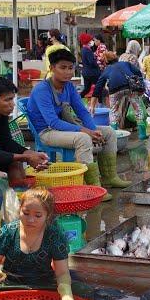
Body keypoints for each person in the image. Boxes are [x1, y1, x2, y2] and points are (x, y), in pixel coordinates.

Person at [0, 187, 84, 300]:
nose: (30, 219)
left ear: (48, 215)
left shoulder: (55, 236)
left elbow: (62, 273)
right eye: (26, 213)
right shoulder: (8, 232)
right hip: (9, 284)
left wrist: (66, 293)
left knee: (84, 292)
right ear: (19, 210)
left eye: (38, 215)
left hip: (43, 285)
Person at [27, 49, 129, 199]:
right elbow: (53, 122)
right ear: (52, 68)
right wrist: (85, 132)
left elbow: (82, 112)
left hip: (61, 128)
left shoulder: (68, 86)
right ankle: (92, 187)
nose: (68, 72)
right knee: (83, 138)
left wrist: (94, 131)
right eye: (63, 67)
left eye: (71, 68)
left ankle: (109, 177)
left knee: (108, 132)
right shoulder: (42, 90)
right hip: (46, 132)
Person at [93, 51, 146, 137]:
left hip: (115, 90)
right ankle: (142, 134)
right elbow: (138, 72)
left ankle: (114, 133)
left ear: (106, 62)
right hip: (130, 88)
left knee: (113, 111)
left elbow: (98, 86)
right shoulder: (126, 64)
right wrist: (141, 85)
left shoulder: (107, 70)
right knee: (137, 108)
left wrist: (92, 103)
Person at [79, 33, 100, 100]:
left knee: (87, 89)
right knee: (100, 86)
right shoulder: (88, 50)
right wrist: (97, 63)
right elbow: (92, 62)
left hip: (85, 72)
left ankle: (78, 99)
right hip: (92, 73)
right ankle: (99, 102)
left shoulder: (83, 49)